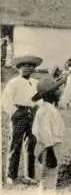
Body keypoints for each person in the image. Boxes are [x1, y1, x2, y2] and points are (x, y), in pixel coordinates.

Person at [1, 54, 42, 185]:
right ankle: (11, 175)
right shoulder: (14, 83)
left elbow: (39, 98)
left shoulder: (36, 83)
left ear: (34, 69)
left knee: (31, 144)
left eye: (30, 66)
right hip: (19, 113)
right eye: (24, 66)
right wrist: (14, 112)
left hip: (33, 113)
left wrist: (38, 109)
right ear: (19, 68)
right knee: (15, 143)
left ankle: (29, 175)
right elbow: (6, 100)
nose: (27, 68)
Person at [31, 76, 66, 191]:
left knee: (51, 176)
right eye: (56, 90)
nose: (59, 91)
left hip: (52, 146)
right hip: (49, 147)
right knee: (48, 177)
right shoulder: (45, 110)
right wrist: (50, 151)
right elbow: (45, 132)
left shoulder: (49, 108)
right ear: (49, 94)